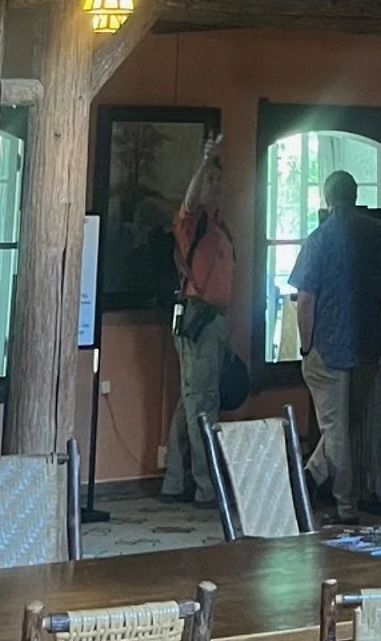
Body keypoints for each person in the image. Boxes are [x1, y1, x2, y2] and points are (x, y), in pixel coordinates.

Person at [289, 170, 381, 524]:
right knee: (344, 426)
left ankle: (345, 508)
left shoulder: (318, 239)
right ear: (356, 195)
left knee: (335, 430)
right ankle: (307, 479)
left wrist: (306, 347)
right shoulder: (378, 231)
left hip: (328, 346)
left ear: (327, 199)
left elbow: (305, 300)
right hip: (367, 346)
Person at [159, 134, 232, 508]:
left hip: (214, 321)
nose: (215, 186)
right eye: (210, 181)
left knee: (191, 400)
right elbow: (188, 202)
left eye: (219, 180)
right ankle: (207, 486)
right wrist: (204, 161)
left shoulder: (220, 227)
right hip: (198, 320)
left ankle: (174, 481)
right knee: (202, 403)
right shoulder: (192, 224)